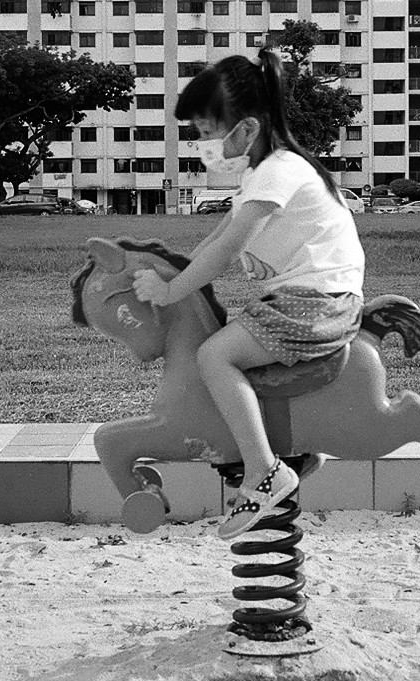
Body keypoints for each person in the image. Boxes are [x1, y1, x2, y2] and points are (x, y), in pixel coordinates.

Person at [132, 49, 365, 539]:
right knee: (229, 342)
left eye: (207, 131)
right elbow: (216, 237)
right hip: (310, 298)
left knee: (214, 355)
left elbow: (227, 250)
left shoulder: (279, 170)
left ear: (247, 130)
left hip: (318, 303)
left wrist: (171, 291)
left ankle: (264, 470)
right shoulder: (260, 175)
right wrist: (177, 270)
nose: (203, 144)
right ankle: (296, 445)